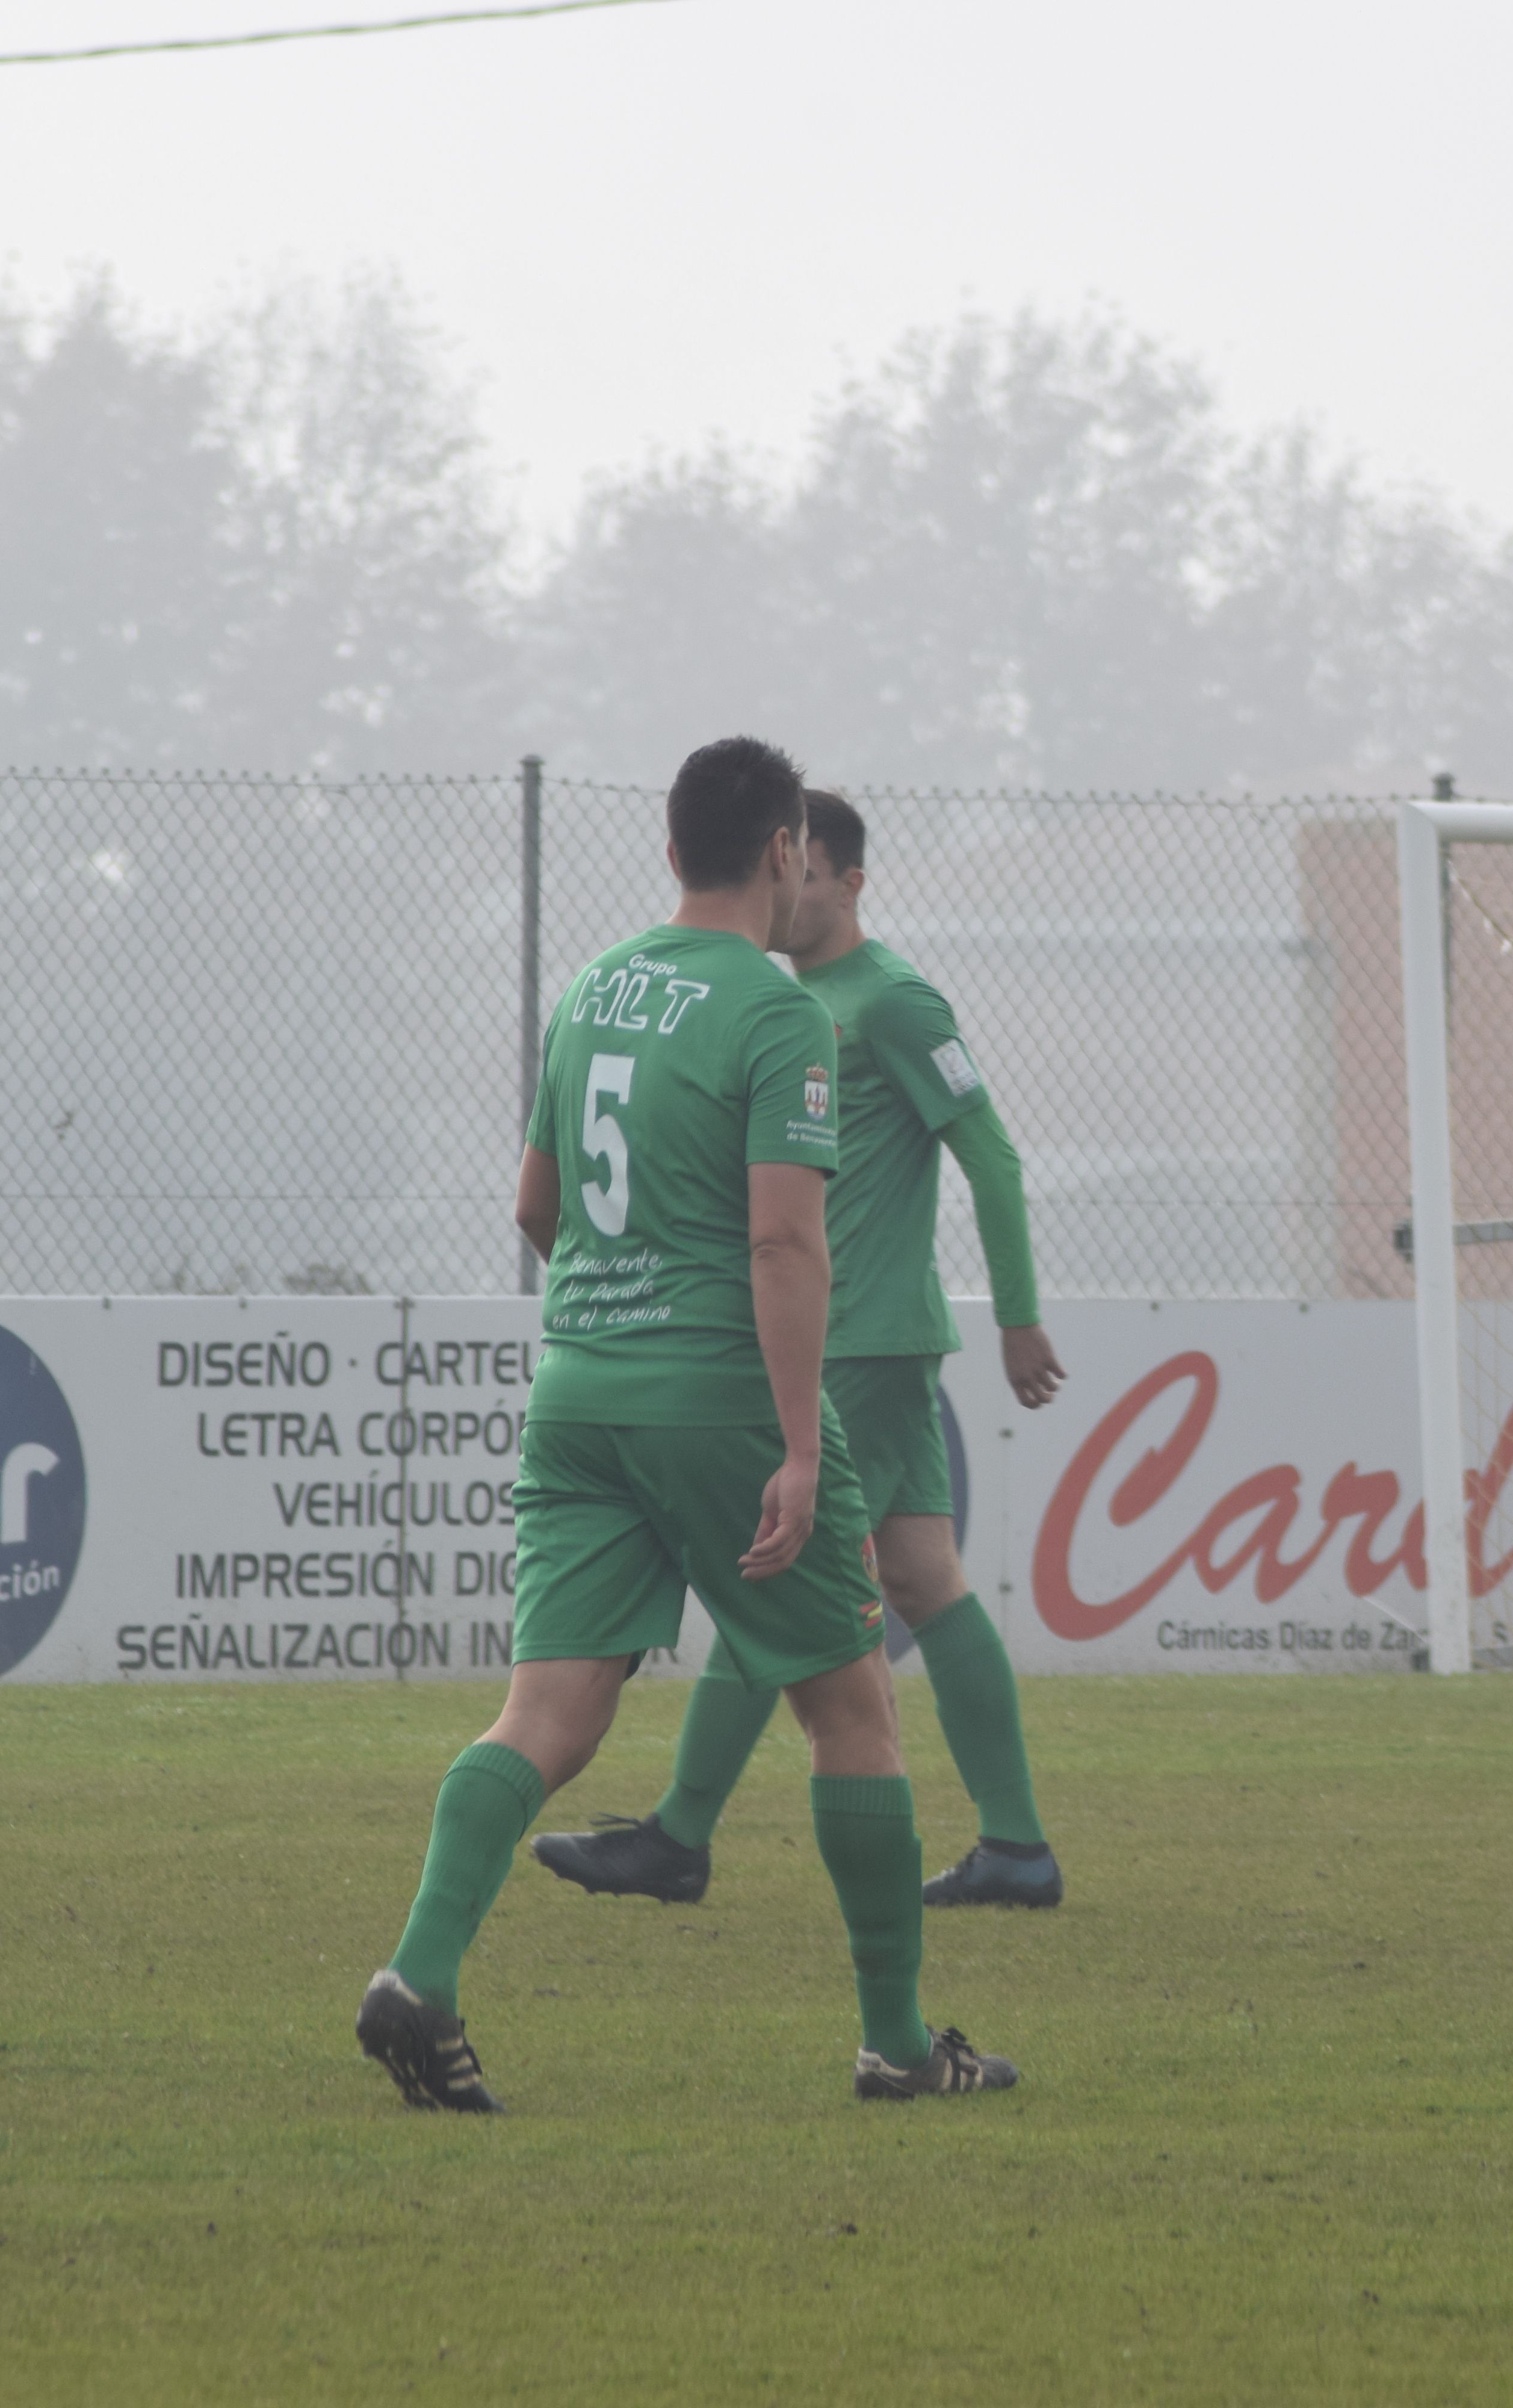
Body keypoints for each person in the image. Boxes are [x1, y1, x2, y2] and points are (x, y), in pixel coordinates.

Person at [354, 738, 1016, 2110]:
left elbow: (535, 1210)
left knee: (546, 1710)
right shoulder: (783, 1019)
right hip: (713, 1394)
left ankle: (420, 1969)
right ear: (785, 852)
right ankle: (897, 2043)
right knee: (853, 1708)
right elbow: (784, 1241)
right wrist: (796, 1443)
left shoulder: (595, 987)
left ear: (669, 852)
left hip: (577, 1391)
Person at [534, 790, 1073, 1910]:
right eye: (790, 873)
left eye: (812, 878)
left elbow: (996, 1158)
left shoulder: (892, 1003)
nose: (791, 897)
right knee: (924, 1579)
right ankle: (1017, 1847)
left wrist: (1018, 1314)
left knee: (767, 1568)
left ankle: (679, 1834)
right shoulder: (780, 1004)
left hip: (861, 1342)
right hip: (854, 1340)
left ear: (847, 883)